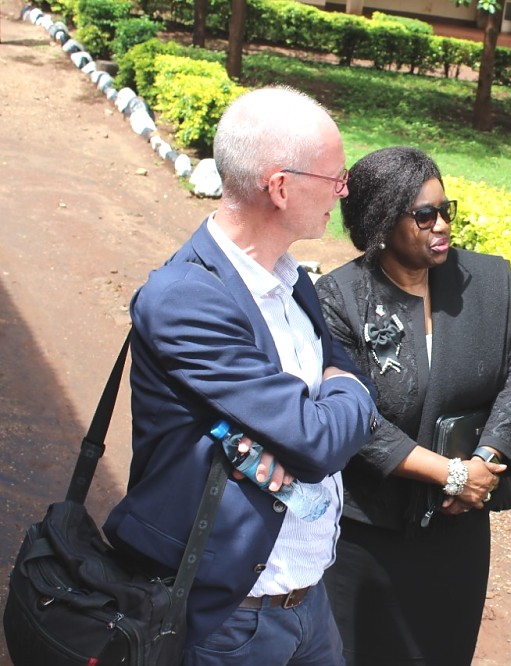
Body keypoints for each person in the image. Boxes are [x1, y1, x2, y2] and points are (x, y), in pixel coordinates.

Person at [103, 86, 379, 666]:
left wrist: (338, 393)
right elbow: (317, 440)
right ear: (280, 187)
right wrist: (341, 394)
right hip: (231, 612)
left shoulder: (292, 279)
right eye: (335, 176)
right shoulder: (186, 299)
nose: (344, 189)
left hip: (306, 598)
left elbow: (345, 384)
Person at [313, 146, 511, 665]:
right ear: (381, 223)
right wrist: (449, 473)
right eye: (425, 215)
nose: (442, 226)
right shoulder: (340, 298)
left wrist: (484, 462)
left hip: (457, 528)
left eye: (445, 210)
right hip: (370, 533)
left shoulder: (486, 284)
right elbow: (356, 416)